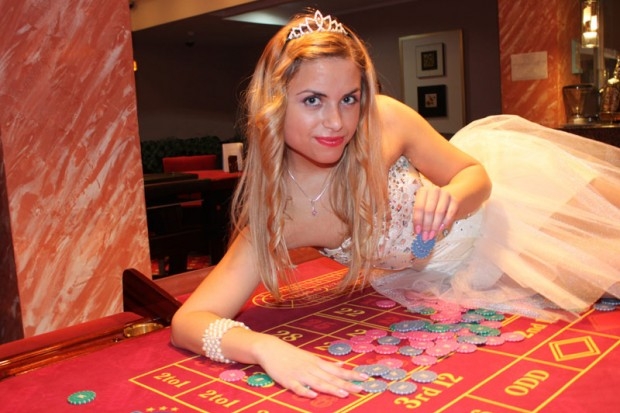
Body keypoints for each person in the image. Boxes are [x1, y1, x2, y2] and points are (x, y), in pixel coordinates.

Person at [171, 9, 620, 399]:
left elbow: (476, 177)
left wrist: (452, 196)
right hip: (449, 279)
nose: (336, 122)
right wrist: (263, 348)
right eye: (312, 100)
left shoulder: (383, 120)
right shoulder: (278, 216)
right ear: (273, 104)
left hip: (512, 217)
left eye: (349, 99)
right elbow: (189, 320)